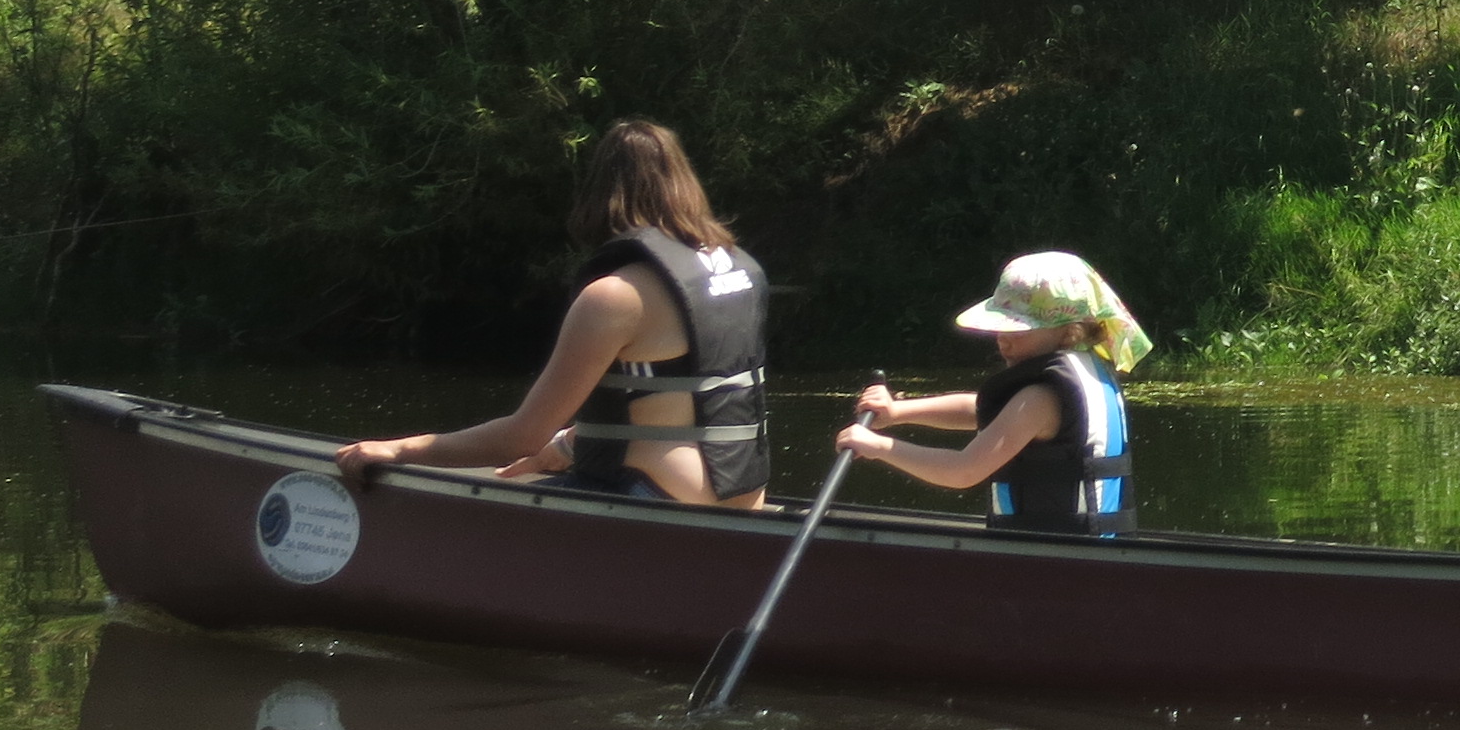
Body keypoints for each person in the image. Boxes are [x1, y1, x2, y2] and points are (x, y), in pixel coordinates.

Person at [337, 120, 771, 508]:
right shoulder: (742, 271)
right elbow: (684, 399)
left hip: (657, 495)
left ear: (601, 194)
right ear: (686, 185)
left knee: (475, 521)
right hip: (745, 496)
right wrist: (565, 446)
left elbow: (521, 437)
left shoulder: (615, 296)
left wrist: (400, 450)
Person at [839, 251, 1149, 534]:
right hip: (1090, 554)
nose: (1003, 339)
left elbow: (963, 471)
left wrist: (879, 447)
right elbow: (978, 409)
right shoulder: (1088, 373)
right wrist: (898, 412)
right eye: (1002, 326)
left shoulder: (1039, 399)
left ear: (1069, 333)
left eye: (1018, 328)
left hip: (1054, 562)